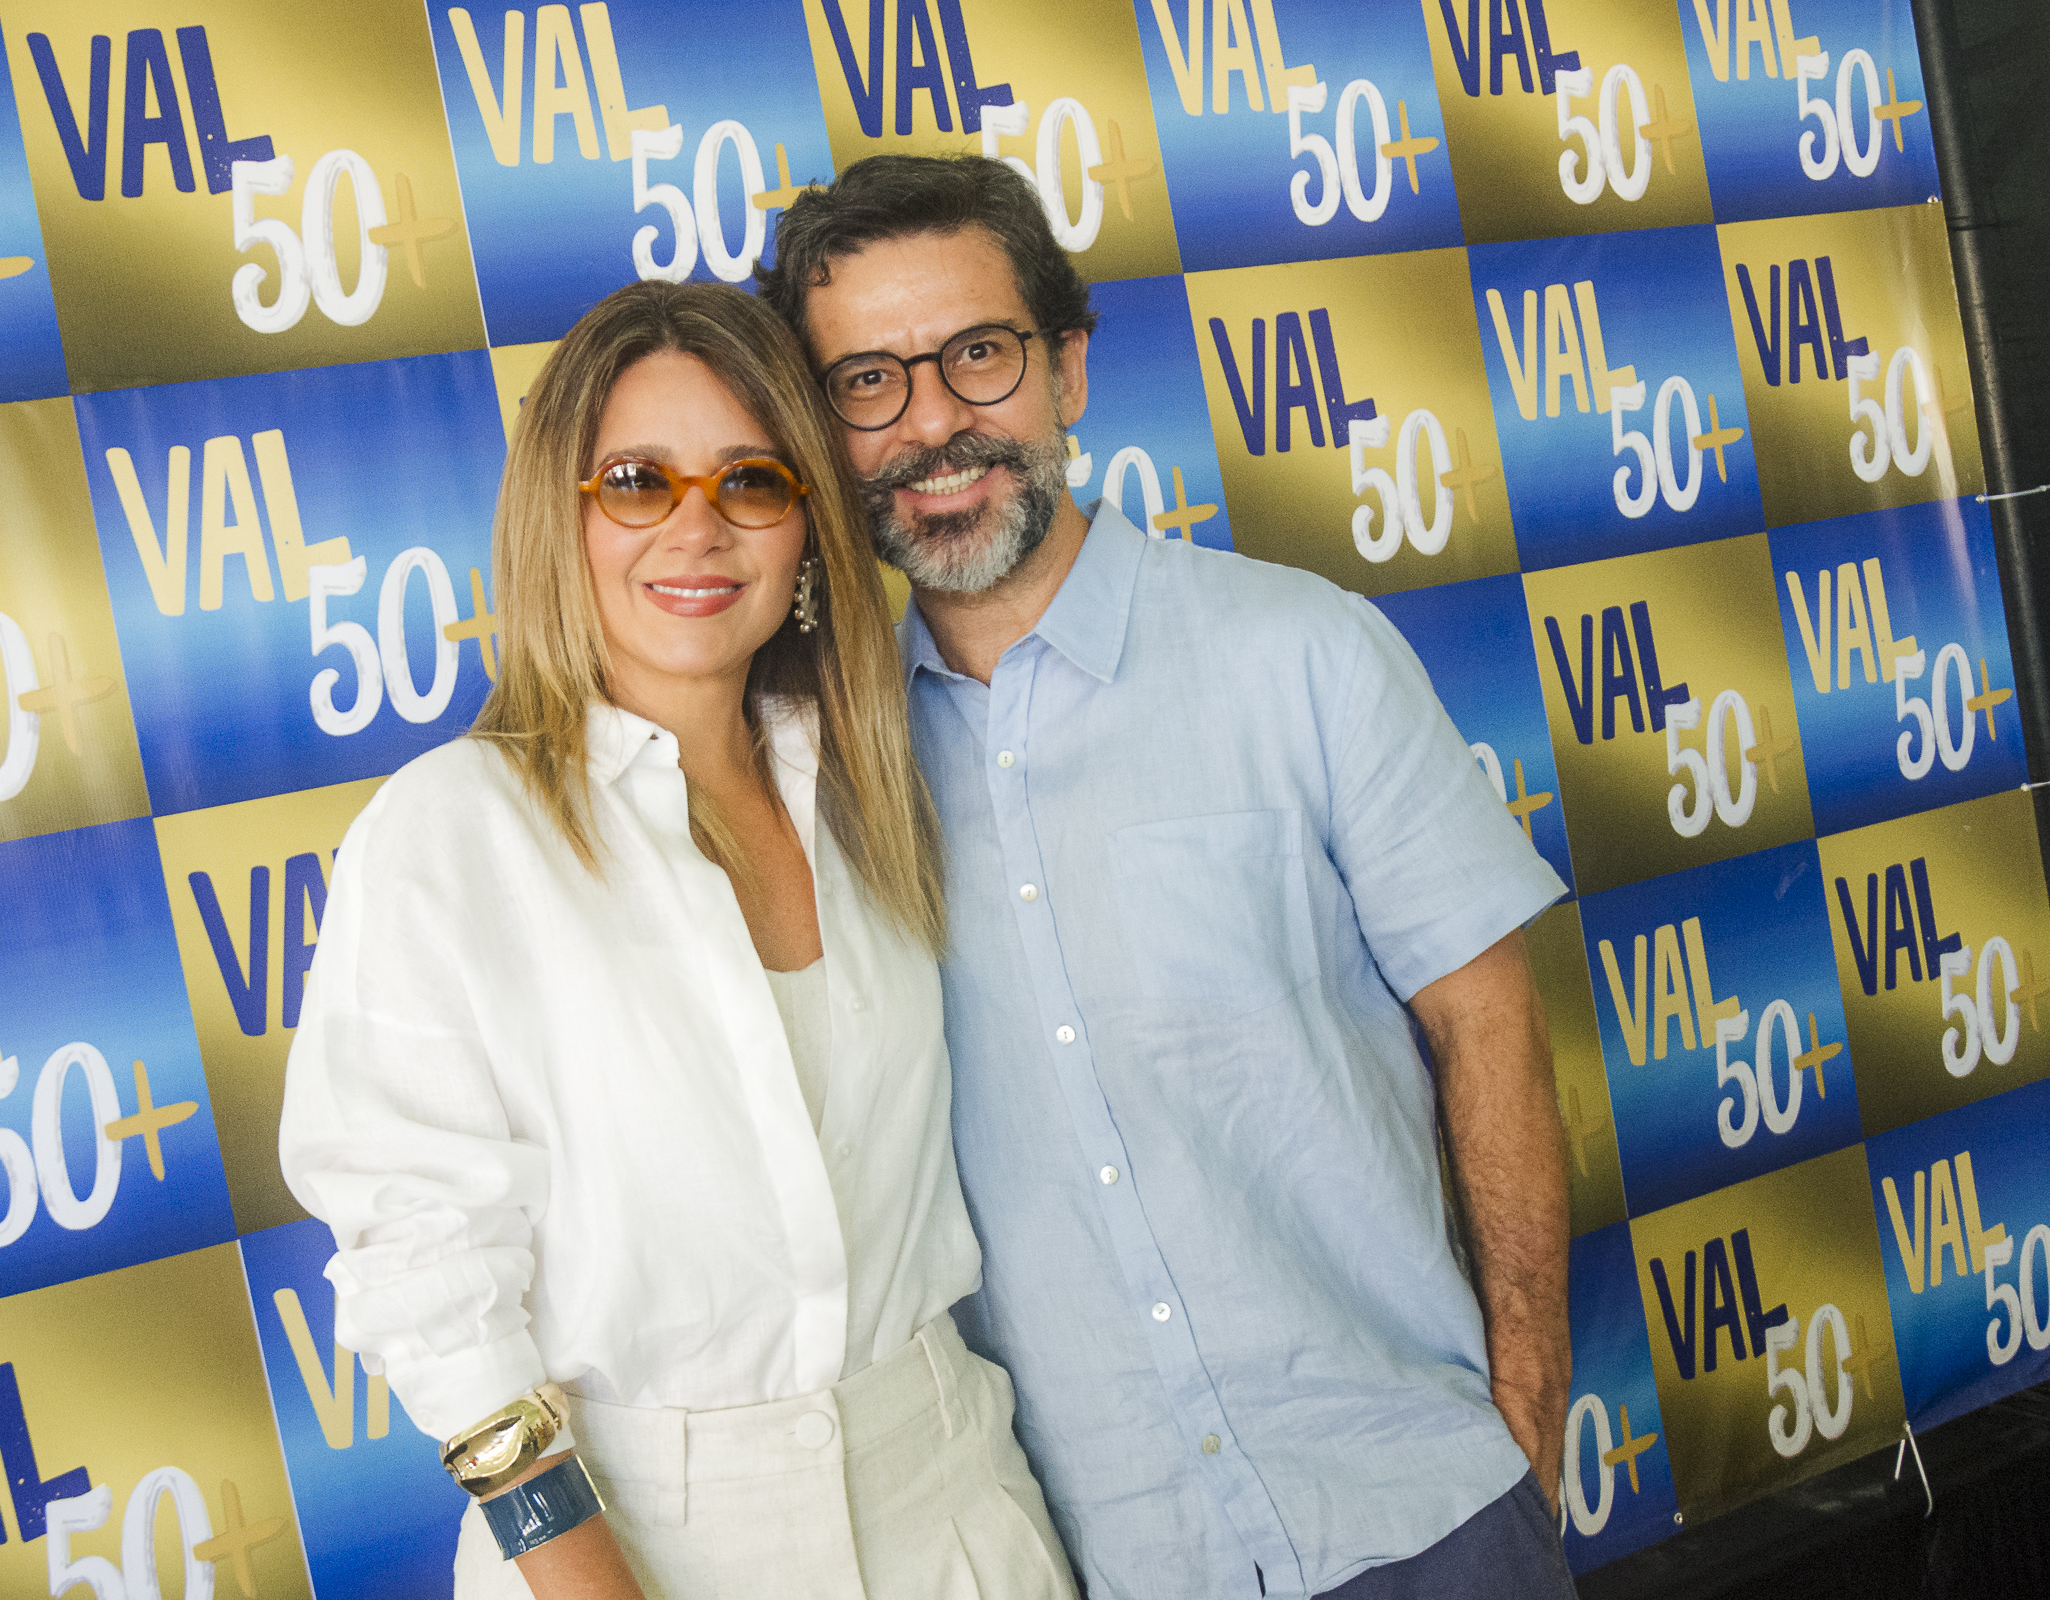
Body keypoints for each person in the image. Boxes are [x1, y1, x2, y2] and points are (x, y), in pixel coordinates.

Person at [758, 157, 1578, 1600]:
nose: (933, 423)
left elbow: (1489, 1025)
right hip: (1098, 1558)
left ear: (1068, 370)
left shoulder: (1303, 653)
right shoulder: (821, 776)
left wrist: (1527, 1403)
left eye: (979, 355)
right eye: (868, 382)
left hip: (1418, 1513)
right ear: (822, 432)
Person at [278, 280, 1077, 1600]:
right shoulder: (450, 833)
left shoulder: (883, 784)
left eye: (751, 480)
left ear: (808, 525)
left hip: (954, 1501)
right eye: (637, 482)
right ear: (562, 515)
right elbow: (426, 1273)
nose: (697, 528)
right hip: (634, 1539)